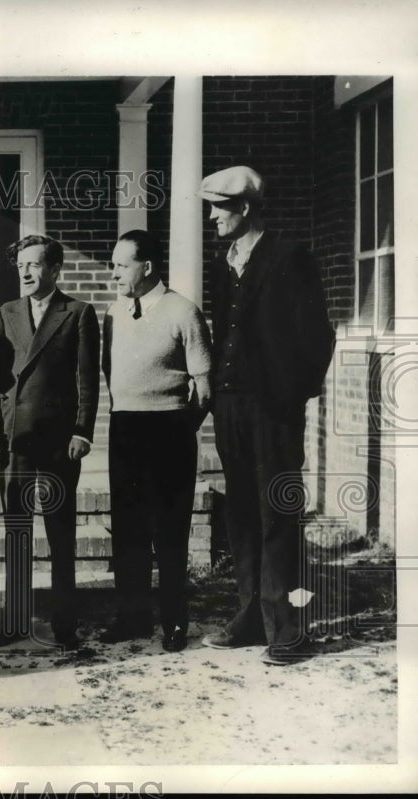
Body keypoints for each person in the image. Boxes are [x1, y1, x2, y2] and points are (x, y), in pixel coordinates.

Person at [197, 166, 334, 665]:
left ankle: (287, 630)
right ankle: (250, 616)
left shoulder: (290, 256)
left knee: (277, 512)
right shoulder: (222, 264)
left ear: (245, 207)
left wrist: (291, 395)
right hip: (230, 405)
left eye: (219, 208)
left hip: (274, 408)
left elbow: (318, 335)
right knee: (241, 513)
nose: (211, 218)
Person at [0, 234, 100, 650]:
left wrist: (82, 431)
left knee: (60, 531)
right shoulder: (6, 312)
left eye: (33, 264)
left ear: (55, 268)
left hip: (58, 440)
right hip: (14, 436)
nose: (26, 273)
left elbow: (88, 379)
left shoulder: (78, 313)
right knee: (16, 530)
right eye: (21, 266)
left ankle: (65, 623)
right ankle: (15, 620)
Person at [100, 229, 212, 652]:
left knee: (169, 532)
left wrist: (181, 426)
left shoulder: (183, 311)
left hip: (170, 431)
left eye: (122, 266)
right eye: (113, 265)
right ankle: (132, 617)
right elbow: (111, 372)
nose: (114, 274)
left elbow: (204, 386)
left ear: (147, 267)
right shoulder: (113, 313)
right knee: (127, 529)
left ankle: (174, 621)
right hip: (124, 428)